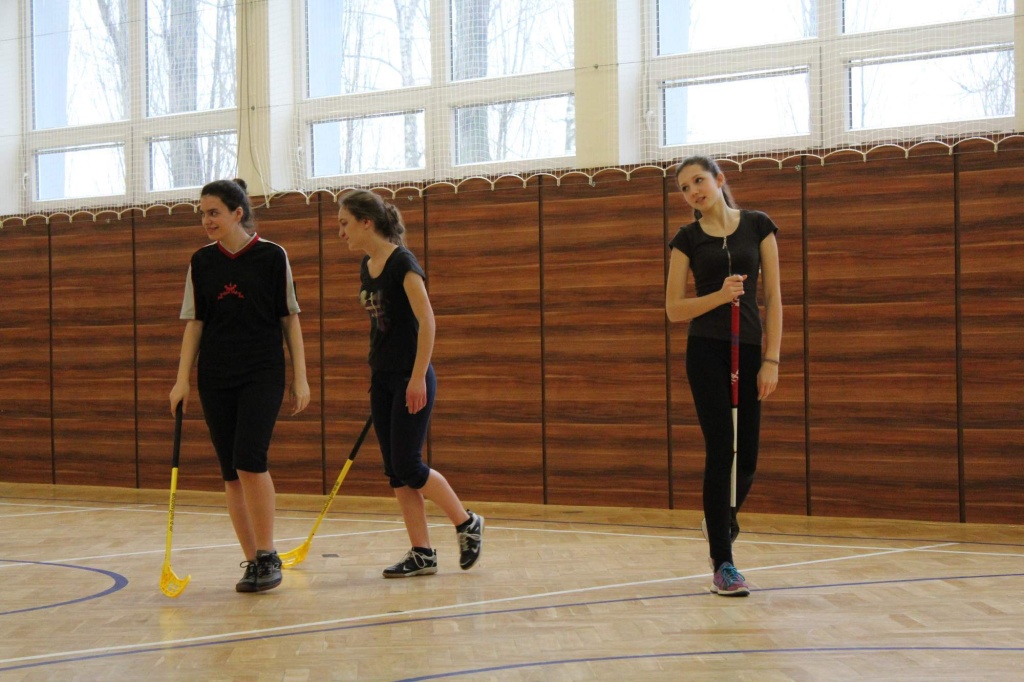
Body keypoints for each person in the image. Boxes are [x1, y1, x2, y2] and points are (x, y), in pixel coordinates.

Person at [169, 178, 310, 593]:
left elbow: (290, 320)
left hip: (262, 372)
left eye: (213, 212)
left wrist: (301, 377)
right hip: (216, 376)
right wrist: (182, 380)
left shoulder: (272, 256)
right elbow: (195, 324)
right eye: (202, 213)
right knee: (231, 472)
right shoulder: (201, 261)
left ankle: (268, 554)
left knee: (250, 459)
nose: (206, 220)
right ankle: (252, 560)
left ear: (237, 213)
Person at [337, 189, 483, 579]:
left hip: (410, 377)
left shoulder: (403, 262)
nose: (341, 232)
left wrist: (417, 377)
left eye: (345, 223)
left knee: (409, 465)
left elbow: (428, 321)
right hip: (383, 378)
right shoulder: (367, 265)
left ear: (366, 222)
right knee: (395, 471)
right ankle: (422, 553)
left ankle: (466, 521)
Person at [665, 156, 781, 597]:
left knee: (746, 456)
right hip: (707, 352)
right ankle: (724, 564)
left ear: (719, 179)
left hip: (749, 350)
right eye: (684, 187)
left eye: (698, 180)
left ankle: (720, 519)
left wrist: (772, 359)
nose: (693, 191)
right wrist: (719, 296)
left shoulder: (758, 226)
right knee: (720, 451)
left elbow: (773, 297)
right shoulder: (686, 239)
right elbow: (674, 309)